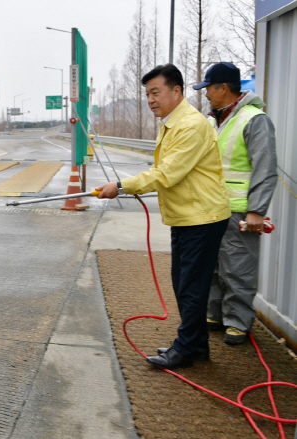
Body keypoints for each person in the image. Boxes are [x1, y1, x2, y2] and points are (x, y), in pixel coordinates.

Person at [97, 64, 231, 370]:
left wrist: (120, 186)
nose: (151, 99)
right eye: (147, 94)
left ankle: (184, 349)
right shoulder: (173, 123)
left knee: (191, 287)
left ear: (177, 91)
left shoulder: (191, 126)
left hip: (203, 217)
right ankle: (196, 345)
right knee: (182, 283)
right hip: (187, 216)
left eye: (156, 92)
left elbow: (167, 173)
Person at [193, 62, 278, 345]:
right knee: (213, 265)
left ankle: (238, 322)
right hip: (211, 208)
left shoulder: (254, 119)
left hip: (240, 209)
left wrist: (256, 210)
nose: (205, 94)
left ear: (223, 88)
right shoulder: (215, 120)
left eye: (208, 88)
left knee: (238, 267)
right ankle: (214, 314)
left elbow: (265, 168)